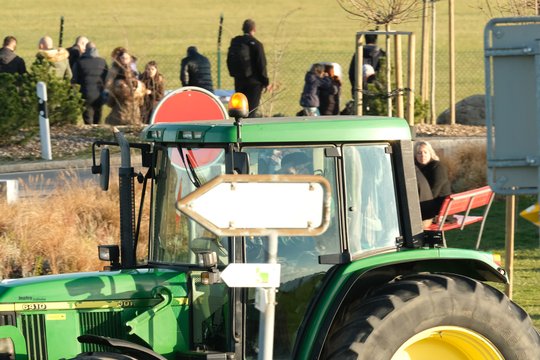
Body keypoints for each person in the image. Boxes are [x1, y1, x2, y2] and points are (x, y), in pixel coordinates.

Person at [227, 19, 269, 117]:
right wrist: (265, 82)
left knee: (240, 109)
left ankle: (239, 127)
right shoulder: (256, 44)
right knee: (251, 111)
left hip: (239, 80)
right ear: (254, 29)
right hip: (254, 83)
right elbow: (261, 64)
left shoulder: (236, 42)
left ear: (243, 29)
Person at [104, 48, 145, 125]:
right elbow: (109, 85)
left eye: (127, 58)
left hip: (130, 111)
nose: (125, 60)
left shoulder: (134, 71)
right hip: (122, 110)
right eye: (123, 58)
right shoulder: (115, 71)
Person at [72, 42, 108, 124]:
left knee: (88, 121)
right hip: (99, 94)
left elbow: (75, 79)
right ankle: (97, 134)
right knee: (98, 120)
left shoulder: (79, 62)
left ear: (85, 50)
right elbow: (106, 78)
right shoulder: (102, 62)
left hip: (85, 94)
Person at [414, 140, 451, 216]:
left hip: (439, 211)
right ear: (415, 155)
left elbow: (433, 192)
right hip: (428, 206)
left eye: (425, 152)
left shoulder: (437, 167)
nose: (422, 155)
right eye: (419, 153)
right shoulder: (415, 168)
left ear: (430, 153)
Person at [348, 33, 385, 97]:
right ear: (376, 39)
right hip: (378, 90)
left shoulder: (358, 53)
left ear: (365, 39)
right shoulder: (382, 54)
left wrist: (355, 87)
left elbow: (352, 73)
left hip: (360, 90)